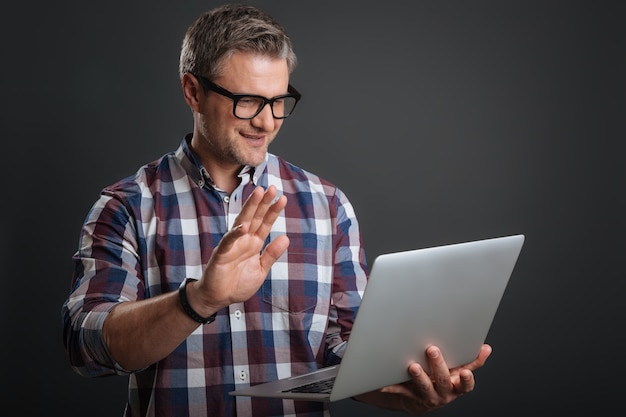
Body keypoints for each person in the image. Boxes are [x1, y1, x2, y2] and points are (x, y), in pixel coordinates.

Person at [61, 4, 492, 417]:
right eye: (247, 100)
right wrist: (198, 299)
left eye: (278, 101)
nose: (267, 122)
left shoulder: (328, 206)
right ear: (193, 91)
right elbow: (86, 346)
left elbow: (345, 352)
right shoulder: (127, 207)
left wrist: (405, 393)